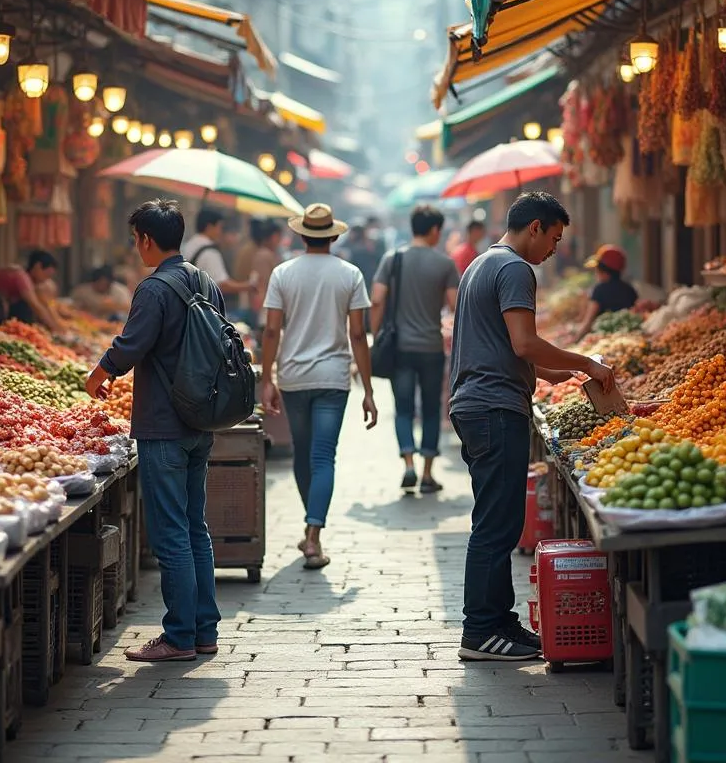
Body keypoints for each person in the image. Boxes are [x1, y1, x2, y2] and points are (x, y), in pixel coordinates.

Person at [449, 192, 615, 662]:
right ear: (536, 227)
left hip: (477, 404)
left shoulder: (480, 264)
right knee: (495, 526)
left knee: (496, 520)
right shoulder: (515, 269)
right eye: (555, 239)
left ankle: (499, 623)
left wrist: (550, 372)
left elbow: (498, 343)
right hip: (494, 408)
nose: (554, 251)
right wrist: (586, 361)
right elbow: (523, 342)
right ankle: (480, 630)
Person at [86, 199, 224, 663]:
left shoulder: (154, 287)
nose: (135, 248)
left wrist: (100, 372)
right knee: (194, 528)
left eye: (135, 239)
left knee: (170, 534)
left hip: (163, 426)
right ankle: (204, 630)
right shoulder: (205, 281)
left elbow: (132, 344)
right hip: (199, 421)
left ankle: (179, 636)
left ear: (145, 239)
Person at [260, 204, 377, 570]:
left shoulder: (283, 273)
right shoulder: (350, 274)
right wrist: (369, 390)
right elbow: (358, 333)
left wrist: (267, 379)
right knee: (324, 456)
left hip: (293, 377)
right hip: (333, 379)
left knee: (302, 452)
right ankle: (313, 533)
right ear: (334, 235)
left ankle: (312, 528)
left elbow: (271, 331)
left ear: (301, 234)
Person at [371, 204, 459, 494]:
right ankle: (427, 474)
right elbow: (455, 307)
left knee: (404, 409)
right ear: (434, 230)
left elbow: (377, 299)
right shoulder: (445, 264)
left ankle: (408, 463)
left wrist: (376, 332)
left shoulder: (392, 259)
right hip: (432, 347)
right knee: (432, 410)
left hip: (400, 348)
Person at [0, 250, 62, 331]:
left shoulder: (28, 279)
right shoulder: (21, 277)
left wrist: (56, 325)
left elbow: (45, 304)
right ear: (38, 266)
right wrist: (55, 328)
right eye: (47, 275)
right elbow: (36, 306)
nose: (45, 280)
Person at [182, 208, 255, 300]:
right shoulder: (209, 251)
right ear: (209, 227)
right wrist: (248, 286)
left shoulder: (189, 245)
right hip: (202, 305)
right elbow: (222, 285)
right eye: (219, 227)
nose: (220, 232)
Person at [572, 244, 639, 341]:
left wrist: (575, 339)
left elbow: (588, 322)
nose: (595, 273)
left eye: (597, 269)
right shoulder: (630, 290)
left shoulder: (599, 290)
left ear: (603, 270)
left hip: (602, 339)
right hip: (627, 338)